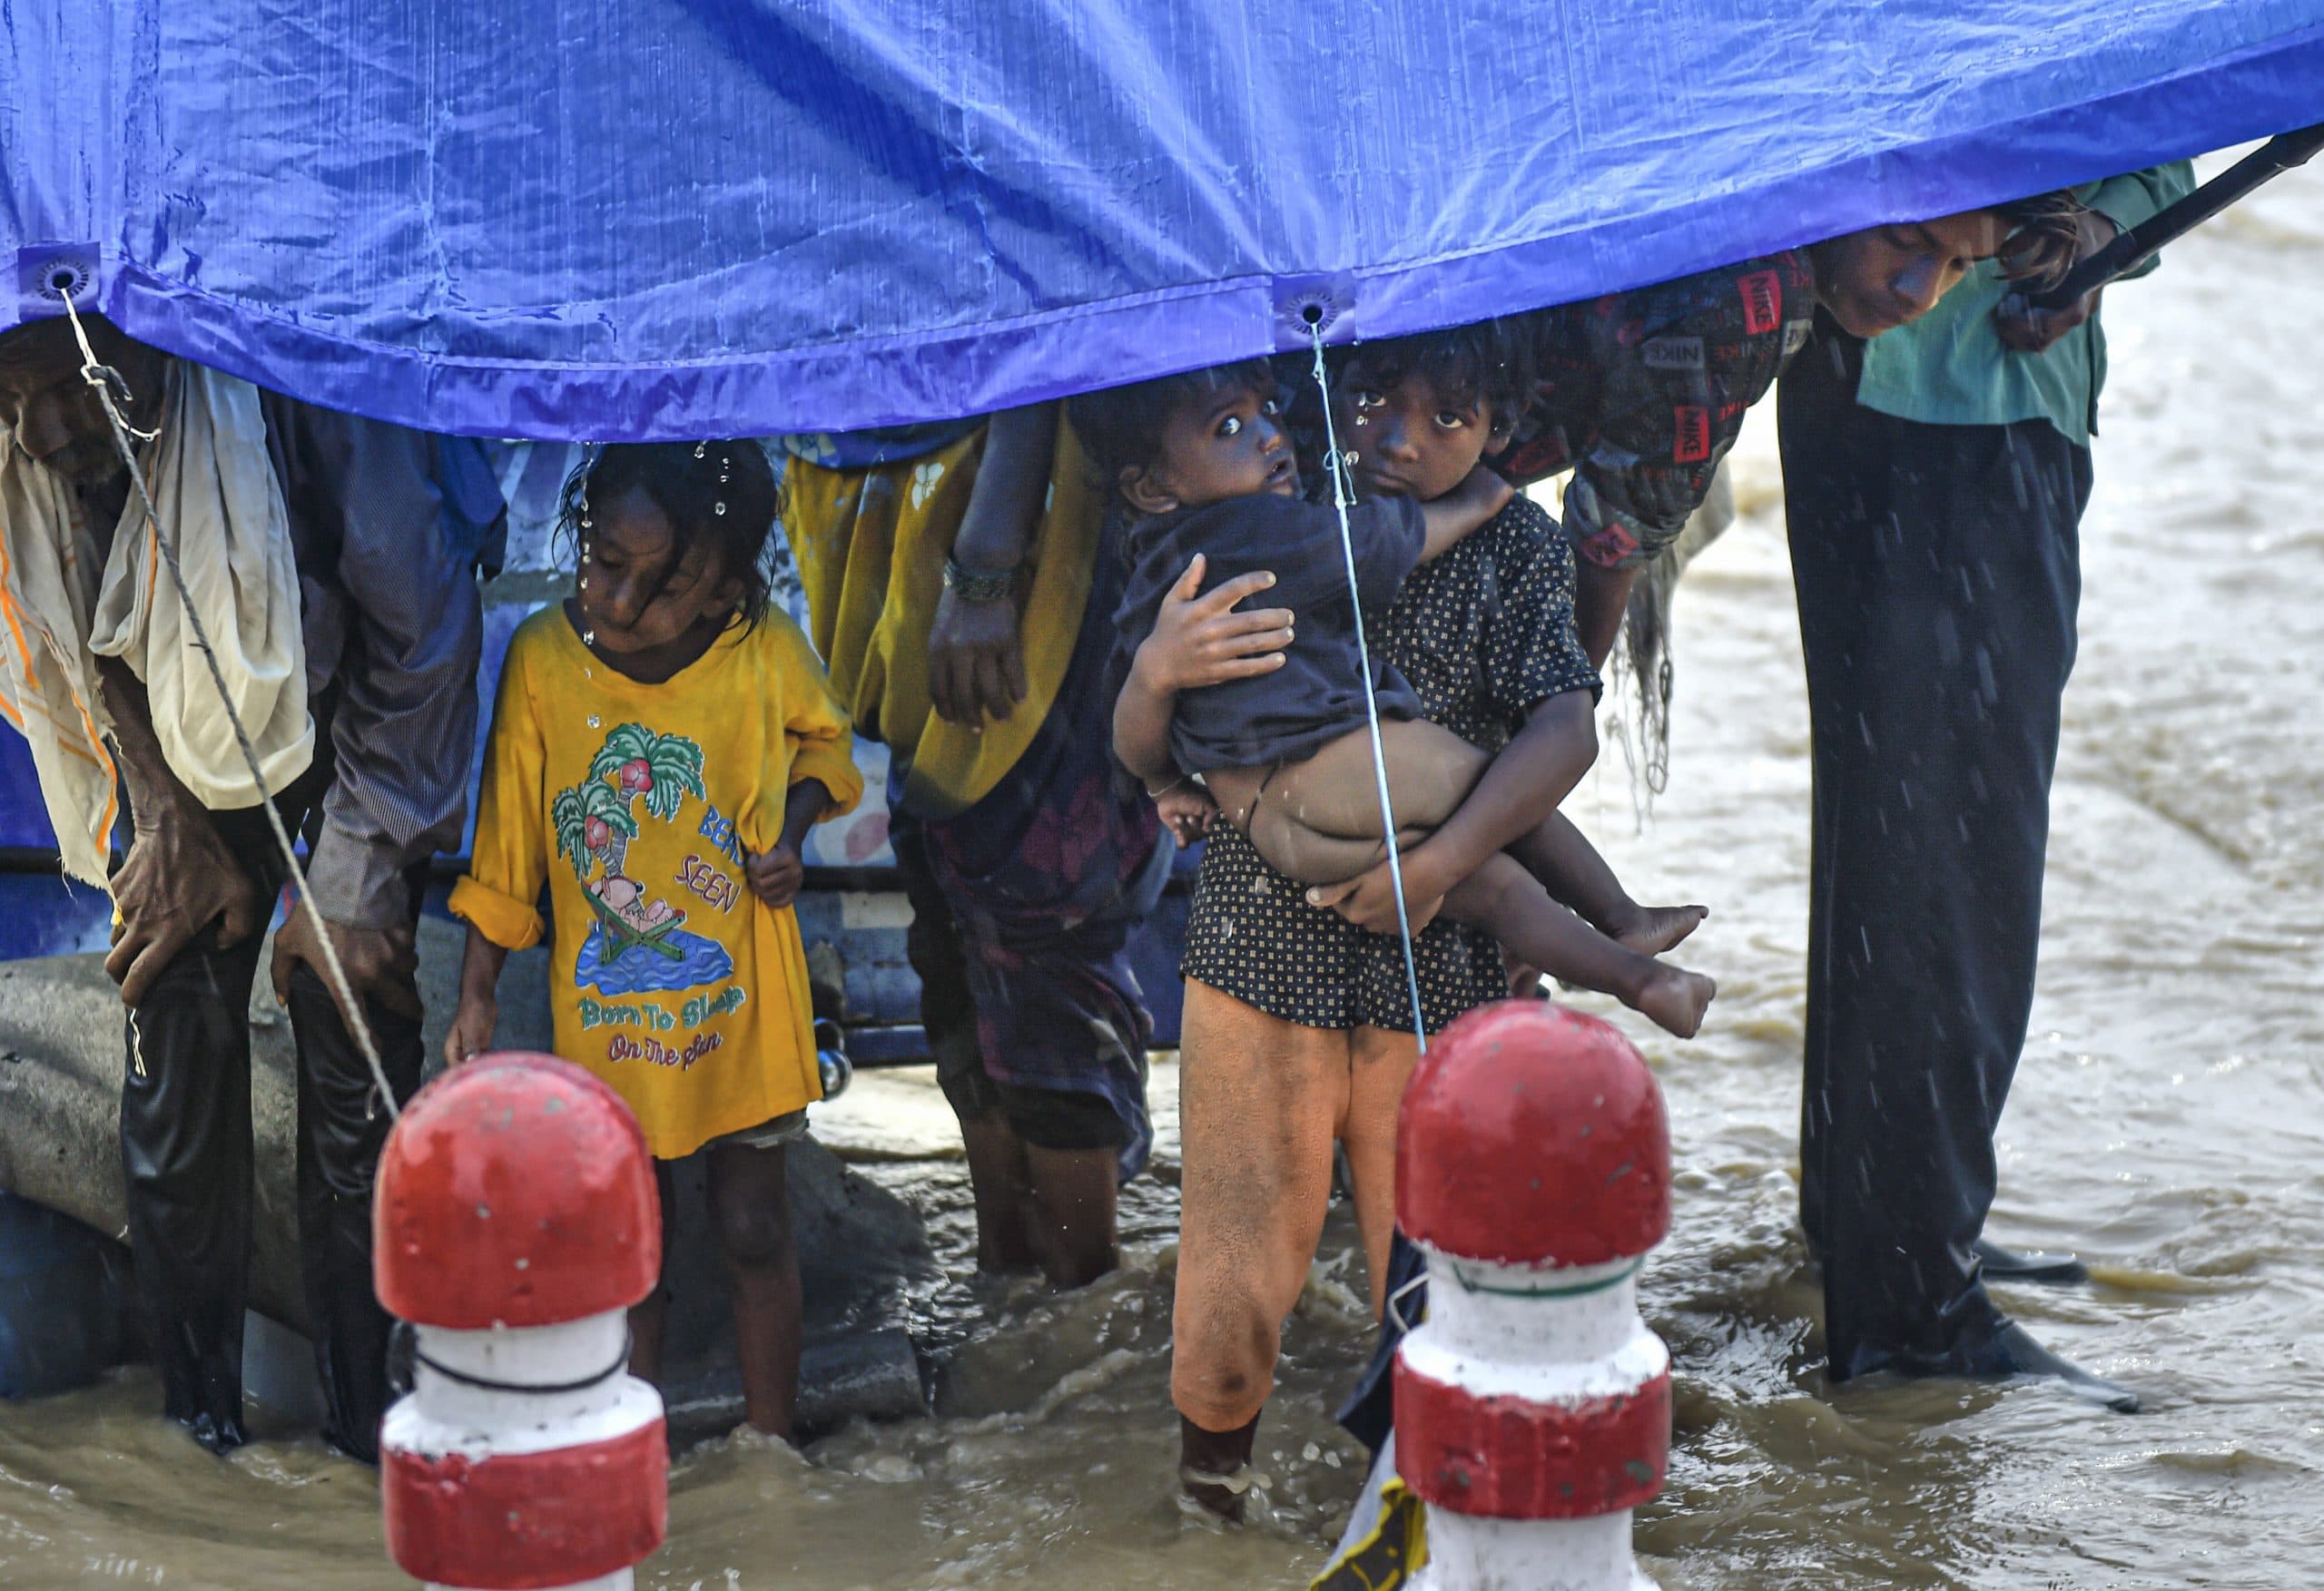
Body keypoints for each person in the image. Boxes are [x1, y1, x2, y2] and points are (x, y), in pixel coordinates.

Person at [1101, 323, 1621, 1519]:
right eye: (1380, 399)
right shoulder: (1252, 505)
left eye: (1453, 420)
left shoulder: (1518, 548)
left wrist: (1441, 860)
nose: (1404, 438)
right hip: (1254, 952)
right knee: (1230, 1296)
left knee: (1438, 1282)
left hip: (1439, 968)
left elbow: (1564, 731)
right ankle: (1209, 1513)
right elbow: (1131, 719)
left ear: (1501, 431)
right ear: (1335, 390)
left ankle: (1419, 1515)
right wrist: (1157, 674)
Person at [0, 312, 498, 1459]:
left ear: (153, 335)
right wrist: (168, 817)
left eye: (68, 384)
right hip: (186, 721)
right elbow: (78, 624)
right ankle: (197, 1446)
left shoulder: (308, 382)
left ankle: (369, 1444)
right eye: (11, 398)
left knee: (349, 1000)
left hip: (367, 706)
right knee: (163, 992)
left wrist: (352, 876)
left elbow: (422, 642)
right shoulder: (35, 450)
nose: (44, 427)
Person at [1776, 162, 2194, 1411]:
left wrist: (2094, 238)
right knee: (1955, 865)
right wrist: (2099, 231)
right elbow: (2145, 84)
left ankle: (1871, 1226)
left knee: (1886, 840)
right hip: (1964, 417)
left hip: (1848, 373)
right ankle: (1911, 1307)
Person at [1089, 360, 1714, 1038]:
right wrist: (1476, 502)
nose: (1270, 437)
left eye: (1266, 415)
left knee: (1494, 887)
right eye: (1231, 428)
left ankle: (1650, 981)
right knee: (1497, 790)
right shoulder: (1258, 526)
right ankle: (1625, 924)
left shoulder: (1153, 565)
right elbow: (1379, 544)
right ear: (1151, 487)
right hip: (1328, 773)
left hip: (1273, 828)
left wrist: (1165, 781)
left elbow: (1129, 722)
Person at [443, 441, 862, 1440]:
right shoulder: (545, 661)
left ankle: (769, 1456)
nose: (619, 602)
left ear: (724, 588)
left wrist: (791, 836)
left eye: (662, 583)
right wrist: (476, 993)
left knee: (755, 1226)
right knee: (632, 1245)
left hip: (743, 1007)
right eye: (601, 562)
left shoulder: (761, 649)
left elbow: (827, 743)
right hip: (610, 1026)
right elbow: (507, 844)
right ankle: (628, 1461)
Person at [781, 408, 1167, 1289]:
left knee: (1039, 927)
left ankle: (1078, 1285)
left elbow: (1039, 308)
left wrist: (986, 566)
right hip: (887, 477)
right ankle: (1013, 1275)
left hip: (1009, 524)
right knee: (956, 929)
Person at [1498, 195, 2086, 668]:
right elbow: (1608, 546)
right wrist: (1558, 708)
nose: (1922, 293)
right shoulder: (1762, 291)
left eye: (1961, 266)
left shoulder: (1724, 195)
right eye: (1907, 241)